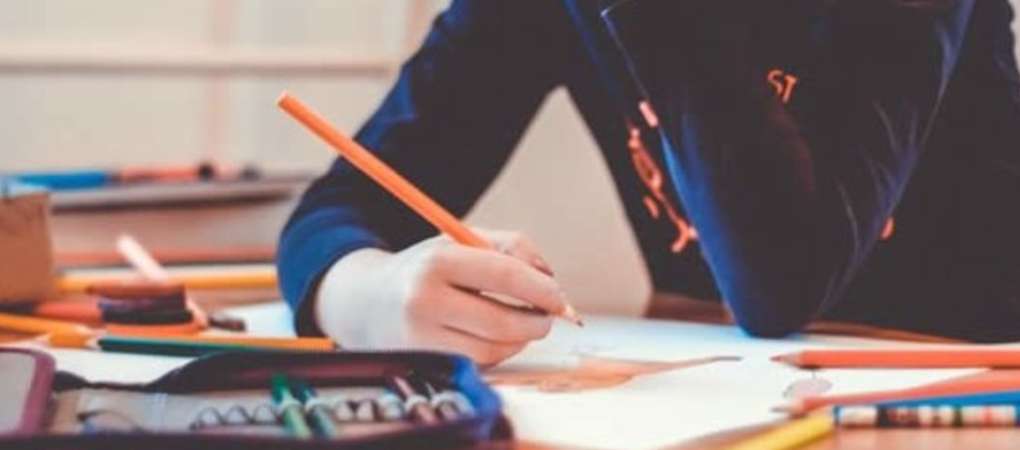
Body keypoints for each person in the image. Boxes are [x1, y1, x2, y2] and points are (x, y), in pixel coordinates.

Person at [278, 0, 1020, 365]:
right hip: (724, 396)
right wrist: (367, 296)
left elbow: (782, 285)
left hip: (964, 391)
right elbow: (344, 204)